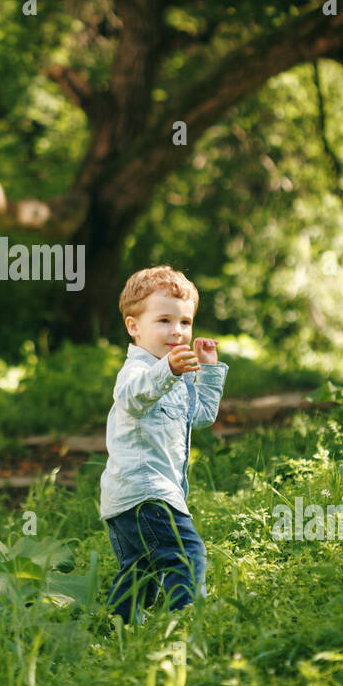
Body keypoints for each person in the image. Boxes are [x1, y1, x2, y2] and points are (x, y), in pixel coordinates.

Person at [100, 265, 227, 626]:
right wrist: (168, 370)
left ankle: (117, 630)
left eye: (185, 323)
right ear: (133, 326)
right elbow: (134, 396)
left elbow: (199, 416)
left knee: (139, 571)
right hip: (145, 493)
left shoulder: (176, 370)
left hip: (136, 497)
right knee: (187, 554)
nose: (177, 331)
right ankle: (187, 626)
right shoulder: (137, 372)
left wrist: (208, 370)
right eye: (164, 321)